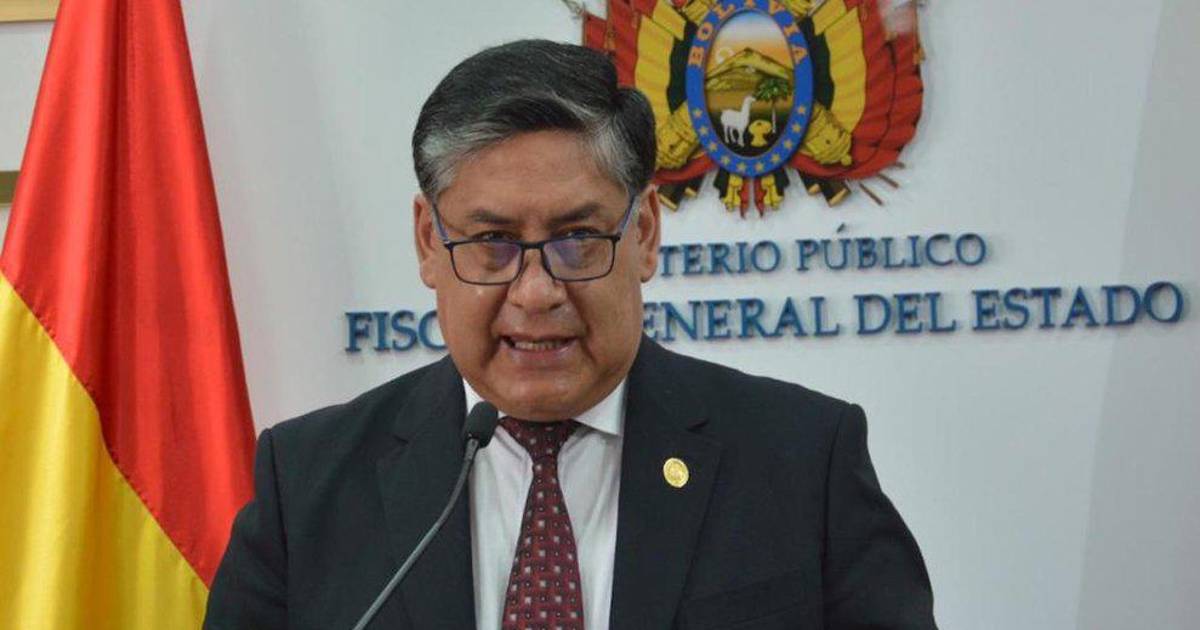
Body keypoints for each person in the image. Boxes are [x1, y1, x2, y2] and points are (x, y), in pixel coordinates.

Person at [205, 39, 937, 629]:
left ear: (644, 235)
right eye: (491, 242)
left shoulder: (803, 462)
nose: (536, 291)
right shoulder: (307, 485)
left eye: (578, 238)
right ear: (429, 242)